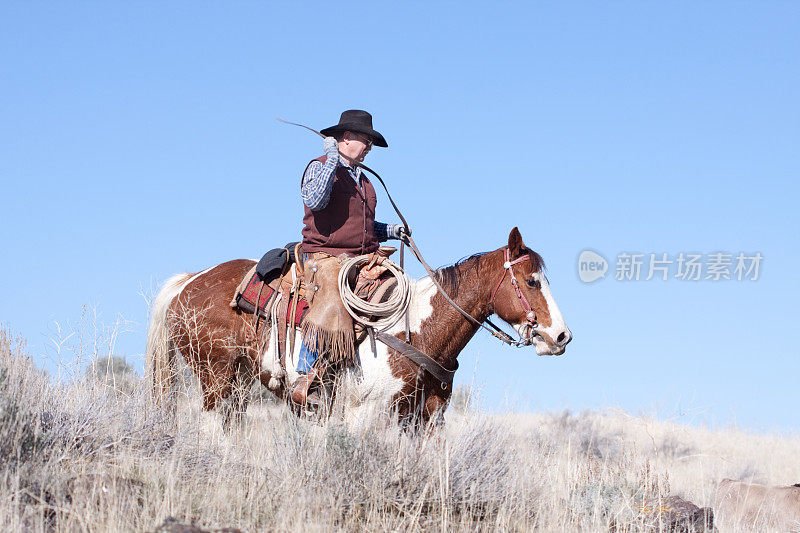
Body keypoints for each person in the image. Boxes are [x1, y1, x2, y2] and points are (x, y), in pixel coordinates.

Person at [291, 110, 408, 406]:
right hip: (325, 256)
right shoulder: (319, 166)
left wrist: (392, 230)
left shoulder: (365, 181)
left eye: (371, 142)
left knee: (401, 288)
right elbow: (315, 200)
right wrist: (331, 158)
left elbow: (364, 227)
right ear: (345, 138)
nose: (368, 147)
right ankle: (307, 375)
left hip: (361, 258)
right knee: (332, 293)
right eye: (365, 140)